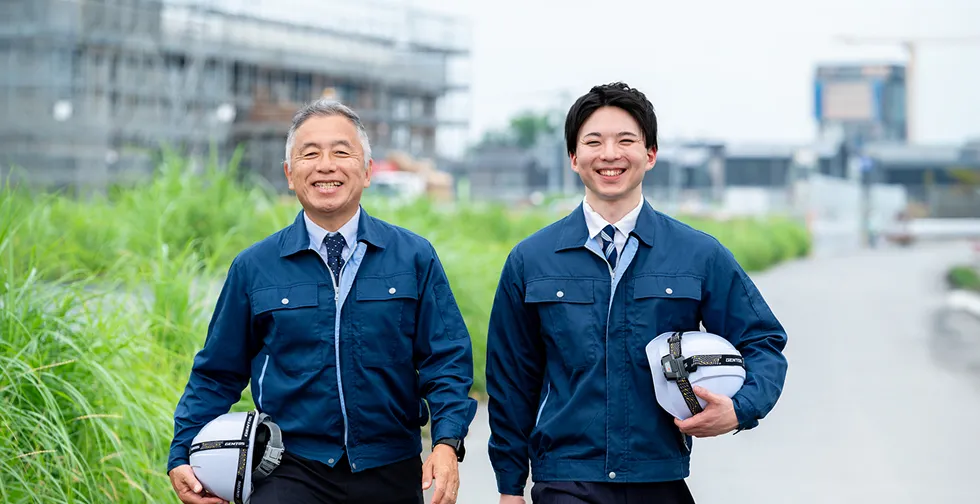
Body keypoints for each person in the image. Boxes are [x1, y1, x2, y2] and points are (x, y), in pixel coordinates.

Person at [485, 82, 789, 504]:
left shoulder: (697, 254)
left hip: (659, 477)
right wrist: (509, 487)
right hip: (566, 478)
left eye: (625, 140)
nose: (610, 154)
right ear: (574, 158)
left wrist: (740, 409)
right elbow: (510, 381)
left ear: (650, 154)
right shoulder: (531, 260)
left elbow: (762, 342)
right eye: (594, 142)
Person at [167, 98, 477, 504]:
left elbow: (446, 359)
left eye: (341, 152)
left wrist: (446, 442)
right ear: (290, 174)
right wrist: (182, 452)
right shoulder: (255, 267)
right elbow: (216, 372)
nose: (326, 165)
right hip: (289, 468)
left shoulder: (413, 257)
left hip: (391, 466)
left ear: (366, 171)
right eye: (310, 153)